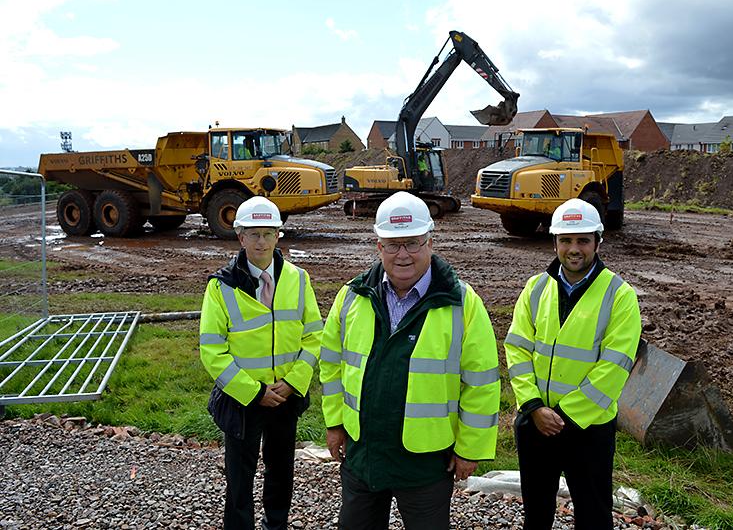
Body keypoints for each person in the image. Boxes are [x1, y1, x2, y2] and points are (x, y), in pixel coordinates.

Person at [319, 191, 500, 530]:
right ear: (379, 247)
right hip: (363, 453)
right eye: (393, 245)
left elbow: (482, 382)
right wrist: (334, 423)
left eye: (413, 244)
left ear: (430, 242)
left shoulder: (463, 303)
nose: (403, 255)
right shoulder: (351, 297)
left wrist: (470, 448)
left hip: (425, 462)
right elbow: (331, 366)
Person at [504, 198, 641, 530]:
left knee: (593, 514)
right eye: (566, 240)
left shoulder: (619, 296)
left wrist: (565, 417)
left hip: (588, 427)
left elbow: (615, 367)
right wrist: (534, 407)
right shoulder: (536, 288)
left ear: (598, 241)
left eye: (583, 240)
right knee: (536, 512)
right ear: (555, 242)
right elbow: (517, 350)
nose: (574, 248)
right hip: (536, 421)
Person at [199, 196, 323, 530]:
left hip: (284, 396)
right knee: (239, 482)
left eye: (268, 233)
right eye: (253, 234)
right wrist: (253, 392)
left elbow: (314, 337)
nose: (261, 241)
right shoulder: (220, 286)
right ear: (240, 237)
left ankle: (276, 526)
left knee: (281, 475)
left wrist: (294, 381)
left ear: (278, 235)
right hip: (244, 401)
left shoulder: (298, 280)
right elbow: (211, 349)